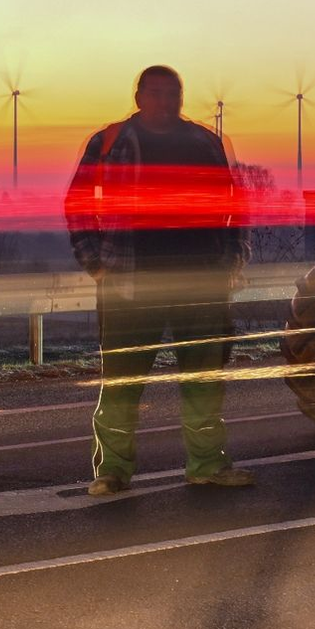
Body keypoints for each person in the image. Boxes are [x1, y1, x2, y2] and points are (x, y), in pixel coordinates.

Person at [64, 65, 253, 495]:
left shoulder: (206, 142)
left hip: (200, 283)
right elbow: (75, 201)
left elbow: (237, 204)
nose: (166, 102)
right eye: (157, 94)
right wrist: (95, 262)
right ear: (139, 97)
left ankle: (207, 464)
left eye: (174, 94)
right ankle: (112, 471)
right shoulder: (110, 142)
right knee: (122, 383)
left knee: (203, 381)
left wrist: (232, 261)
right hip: (131, 285)